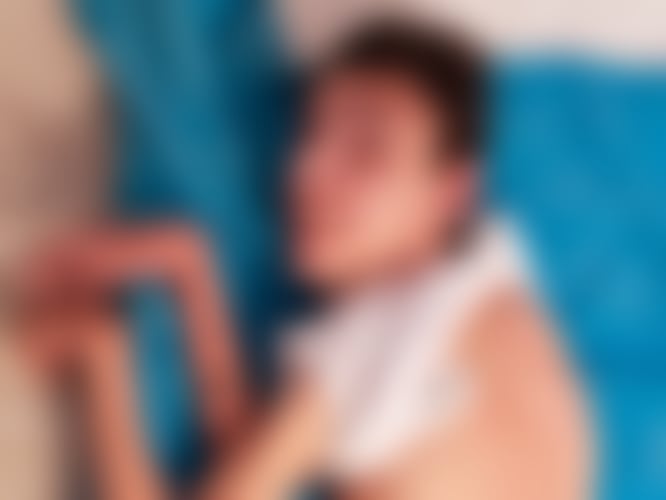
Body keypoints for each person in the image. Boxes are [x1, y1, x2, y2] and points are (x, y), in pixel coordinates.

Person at [24, 20, 591, 500]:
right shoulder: (494, 265)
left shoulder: (371, 353)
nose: (308, 174)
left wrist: (106, 358)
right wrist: (190, 269)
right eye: (312, 134)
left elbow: (277, 443)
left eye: (366, 150)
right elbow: (266, 449)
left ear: (452, 192)